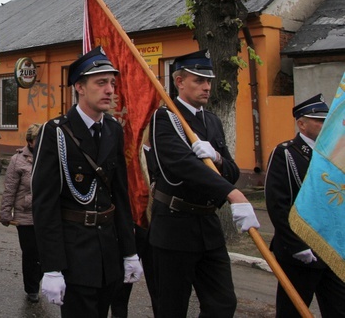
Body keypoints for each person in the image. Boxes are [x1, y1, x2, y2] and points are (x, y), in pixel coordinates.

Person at [147, 49, 260, 318]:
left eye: (208, 81)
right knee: (171, 308)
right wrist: (233, 195)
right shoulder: (165, 118)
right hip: (175, 226)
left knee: (222, 304)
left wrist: (218, 157)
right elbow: (181, 166)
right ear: (179, 82)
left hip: (208, 228)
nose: (207, 87)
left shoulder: (212, 121)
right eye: (198, 80)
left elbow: (231, 170)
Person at [32, 47, 141, 317]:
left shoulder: (113, 129)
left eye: (112, 83)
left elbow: (120, 195)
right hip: (75, 253)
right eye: (101, 82)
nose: (110, 90)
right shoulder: (55, 132)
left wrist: (129, 251)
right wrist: (52, 267)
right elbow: (44, 205)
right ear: (79, 86)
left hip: (108, 251)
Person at [265, 94, 345, 317]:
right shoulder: (286, 153)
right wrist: (296, 245)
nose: (324, 125)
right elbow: (278, 204)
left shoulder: (334, 155)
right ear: (301, 123)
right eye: (318, 120)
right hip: (299, 252)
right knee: (292, 311)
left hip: (331, 249)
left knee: (338, 309)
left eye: (326, 120)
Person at [0, 123, 43, 303]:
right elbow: (9, 188)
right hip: (25, 215)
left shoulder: (50, 157)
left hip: (46, 215)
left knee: (45, 253)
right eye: (37, 140)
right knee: (31, 253)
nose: (40, 143)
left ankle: (40, 278)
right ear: (30, 142)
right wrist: (5, 212)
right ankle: (32, 288)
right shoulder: (17, 160)